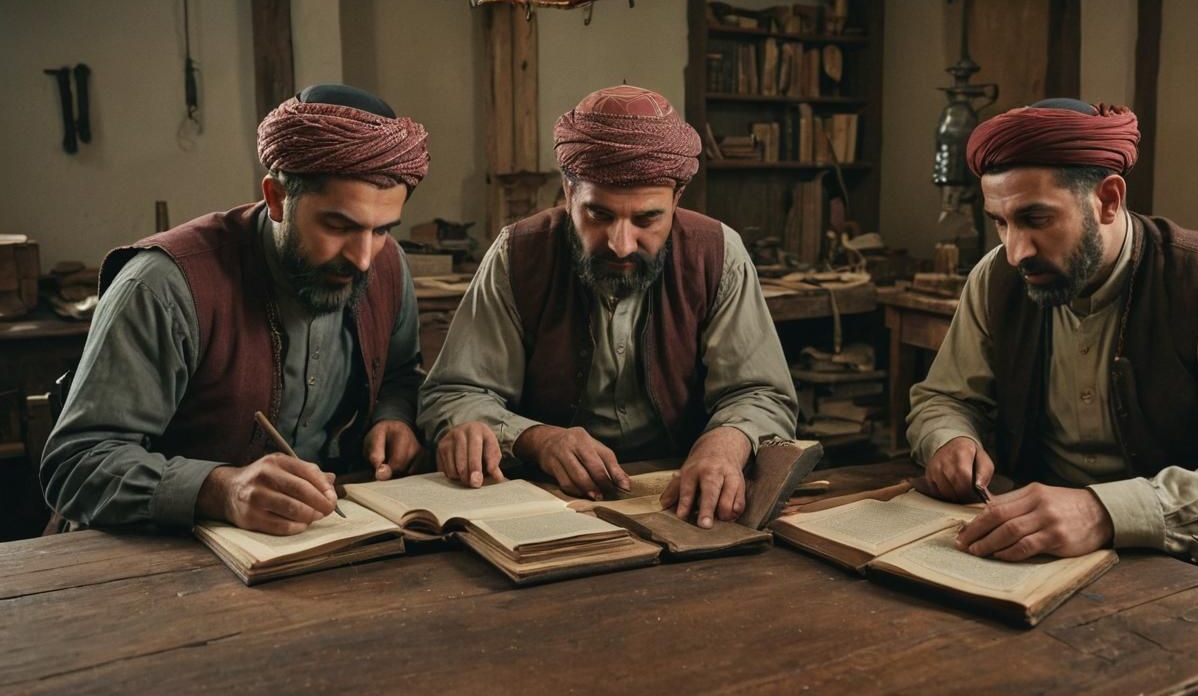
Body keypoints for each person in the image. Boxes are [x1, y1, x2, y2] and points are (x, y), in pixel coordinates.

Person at [907, 98, 1198, 618]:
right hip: (1041, 558)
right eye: (1000, 222)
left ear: (1108, 199)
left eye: (1036, 218)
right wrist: (949, 437)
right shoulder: (996, 278)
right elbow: (943, 399)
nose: (1016, 251)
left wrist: (1104, 512)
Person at [41, 84, 430, 536]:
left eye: (381, 230)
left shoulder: (387, 265)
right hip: (152, 549)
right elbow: (76, 465)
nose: (363, 259)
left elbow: (399, 377)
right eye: (339, 225)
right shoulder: (162, 286)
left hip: (323, 540)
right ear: (277, 198)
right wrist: (220, 490)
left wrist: (393, 417)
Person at [419, 84, 797, 529]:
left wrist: (724, 445)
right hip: (544, 500)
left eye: (647, 218)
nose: (621, 244)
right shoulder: (517, 254)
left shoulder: (717, 253)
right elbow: (454, 394)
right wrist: (537, 440)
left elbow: (761, 393)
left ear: (677, 198)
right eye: (599, 215)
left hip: (686, 496)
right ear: (568, 192)